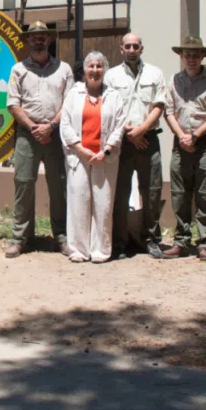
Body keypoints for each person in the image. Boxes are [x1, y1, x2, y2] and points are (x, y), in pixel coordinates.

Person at [6, 21, 74, 258]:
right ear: (28, 40)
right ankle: (19, 238)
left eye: (42, 36)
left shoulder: (64, 69)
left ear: (49, 39)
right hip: (27, 134)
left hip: (56, 134)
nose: (38, 40)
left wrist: (51, 126)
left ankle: (62, 237)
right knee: (23, 184)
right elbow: (13, 104)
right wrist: (35, 127)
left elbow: (70, 103)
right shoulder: (18, 70)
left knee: (59, 186)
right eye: (33, 36)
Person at [105, 33, 168, 259]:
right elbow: (109, 109)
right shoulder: (110, 76)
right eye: (127, 46)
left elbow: (159, 105)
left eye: (136, 46)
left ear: (142, 49)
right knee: (121, 192)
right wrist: (129, 134)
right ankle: (120, 242)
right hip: (122, 142)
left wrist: (142, 130)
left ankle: (151, 239)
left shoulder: (155, 73)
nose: (132, 49)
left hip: (148, 140)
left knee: (151, 191)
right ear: (121, 49)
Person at [60, 51, 126, 263]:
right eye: (91, 66)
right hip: (78, 156)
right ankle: (79, 249)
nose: (95, 70)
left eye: (99, 66)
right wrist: (80, 148)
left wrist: (105, 150)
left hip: (104, 157)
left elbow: (119, 126)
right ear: (85, 70)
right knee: (78, 200)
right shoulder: (74, 94)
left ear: (104, 70)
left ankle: (101, 250)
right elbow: (66, 124)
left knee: (103, 203)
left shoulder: (114, 96)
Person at [163, 36, 206, 262]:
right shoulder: (174, 80)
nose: (191, 59)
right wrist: (182, 136)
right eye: (187, 54)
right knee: (179, 195)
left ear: (203, 56)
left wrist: (196, 135)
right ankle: (181, 241)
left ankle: (205, 242)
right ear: (181, 56)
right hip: (180, 145)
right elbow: (168, 110)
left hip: (205, 143)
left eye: (196, 54)